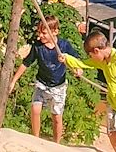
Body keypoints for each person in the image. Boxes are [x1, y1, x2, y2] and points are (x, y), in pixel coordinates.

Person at [61, 29, 116, 152]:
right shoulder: (103, 62)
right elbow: (83, 63)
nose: (91, 58)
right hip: (113, 103)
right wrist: (66, 58)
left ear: (97, 51)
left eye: (91, 55)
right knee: (112, 134)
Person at [9, 15, 79, 143]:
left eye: (44, 33)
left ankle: (56, 144)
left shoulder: (64, 45)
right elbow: (26, 63)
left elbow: (76, 61)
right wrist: (14, 81)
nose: (40, 35)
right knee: (35, 109)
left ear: (55, 31)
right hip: (42, 83)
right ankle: (36, 139)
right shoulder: (38, 46)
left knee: (57, 117)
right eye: (39, 32)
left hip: (58, 86)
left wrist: (78, 70)